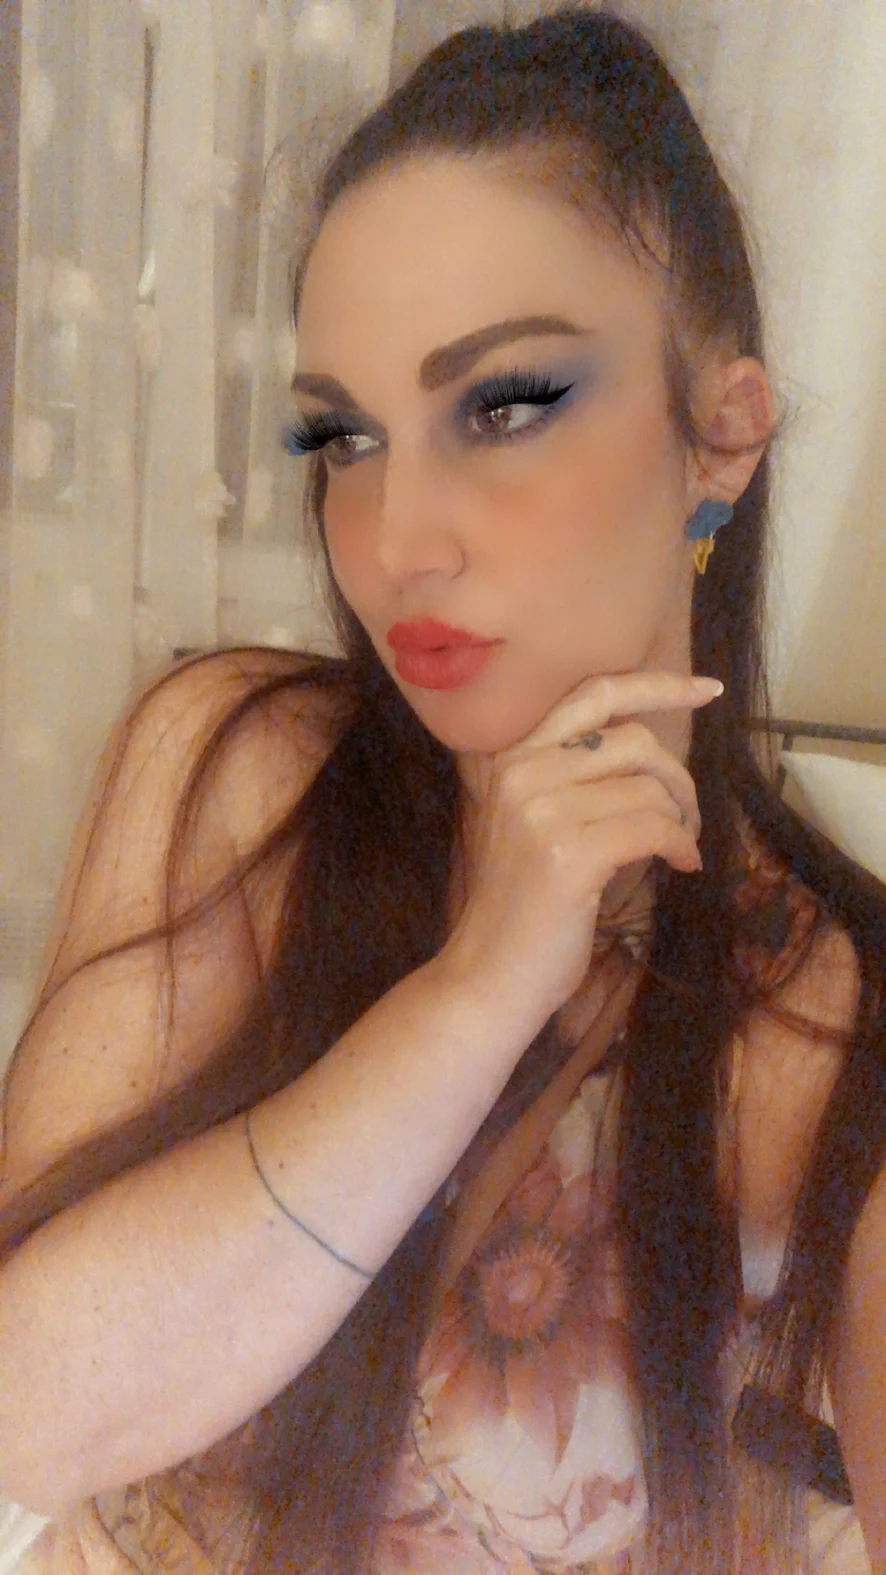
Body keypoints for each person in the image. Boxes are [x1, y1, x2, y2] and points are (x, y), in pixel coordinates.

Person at [1, 7, 884, 1573]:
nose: (394, 534)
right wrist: (475, 993)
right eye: (343, 435)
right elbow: (23, 1418)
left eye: (503, 406)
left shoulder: (836, 1007)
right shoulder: (241, 770)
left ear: (722, 435)